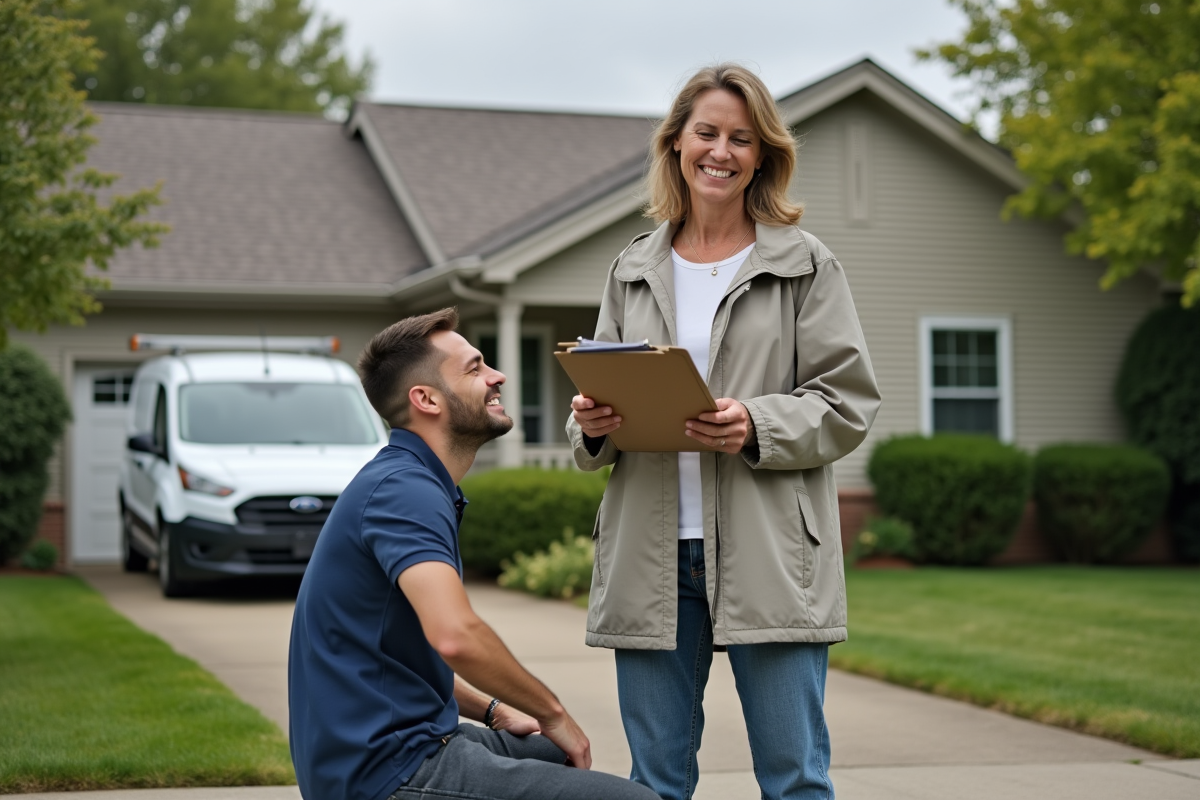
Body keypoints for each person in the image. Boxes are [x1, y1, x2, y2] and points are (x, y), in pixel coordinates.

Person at [567, 64, 882, 800]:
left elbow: (846, 403)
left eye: (742, 138)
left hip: (771, 555)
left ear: (762, 155)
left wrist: (753, 423)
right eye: (706, 132)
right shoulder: (632, 267)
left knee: (795, 778)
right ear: (676, 142)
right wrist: (593, 423)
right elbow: (602, 402)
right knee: (655, 783)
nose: (722, 150)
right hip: (652, 559)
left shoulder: (806, 265)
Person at [289, 308, 658, 800]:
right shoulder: (405, 491)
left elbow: (401, 653)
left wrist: (495, 711)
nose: (497, 376)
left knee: (551, 752)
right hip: (387, 772)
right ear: (426, 399)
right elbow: (455, 636)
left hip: (392, 745)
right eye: (475, 368)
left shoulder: (405, 479)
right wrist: (554, 713)